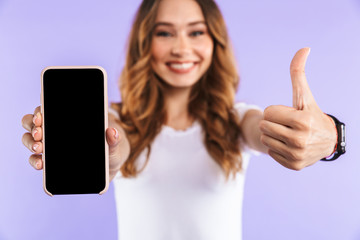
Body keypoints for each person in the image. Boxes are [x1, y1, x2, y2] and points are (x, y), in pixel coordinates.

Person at [21, 0, 339, 239]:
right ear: (145, 43)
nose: (181, 48)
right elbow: (119, 141)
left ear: (215, 41)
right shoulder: (115, 119)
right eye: (164, 33)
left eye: (196, 32)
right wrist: (109, 153)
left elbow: (262, 129)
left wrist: (331, 137)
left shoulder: (237, 119)